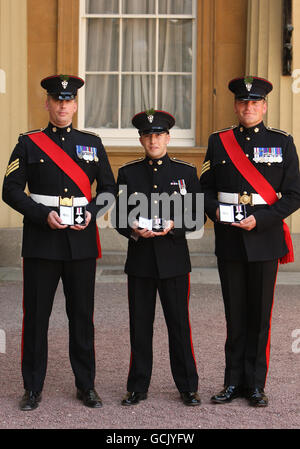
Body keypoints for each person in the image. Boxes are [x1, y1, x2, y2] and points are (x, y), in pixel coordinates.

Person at [2, 74, 116, 410]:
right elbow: (9, 190)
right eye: (57, 100)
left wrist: (92, 212)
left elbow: (109, 189)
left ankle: (86, 385)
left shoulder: (92, 143)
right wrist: (40, 214)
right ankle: (32, 387)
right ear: (48, 103)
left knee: (82, 316)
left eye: (68, 101)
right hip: (41, 241)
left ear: (76, 105)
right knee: (35, 316)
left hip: (80, 243)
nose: (63, 106)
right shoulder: (28, 143)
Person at [200, 76, 300, 407]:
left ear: (264, 106)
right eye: (243, 102)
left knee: (259, 317)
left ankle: (255, 385)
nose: (248, 107)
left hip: (264, 239)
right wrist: (217, 213)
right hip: (230, 240)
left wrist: (262, 218)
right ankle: (232, 383)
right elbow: (205, 189)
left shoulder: (282, 142)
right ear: (235, 106)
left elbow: (293, 194)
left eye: (255, 102)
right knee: (234, 315)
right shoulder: (218, 141)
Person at [115, 109, 203, 407]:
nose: (153, 140)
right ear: (141, 138)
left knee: (179, 326)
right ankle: (137, 387)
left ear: (168, 137)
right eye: (148, 135)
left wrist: (173, 225)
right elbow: (118, 216)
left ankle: (188, 386)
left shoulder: (186, 172)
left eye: (159, 135)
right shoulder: (128, 172)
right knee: (140, 326)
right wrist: (133, 228)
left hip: (174, 260)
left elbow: (197, 216)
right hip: (140, 260)